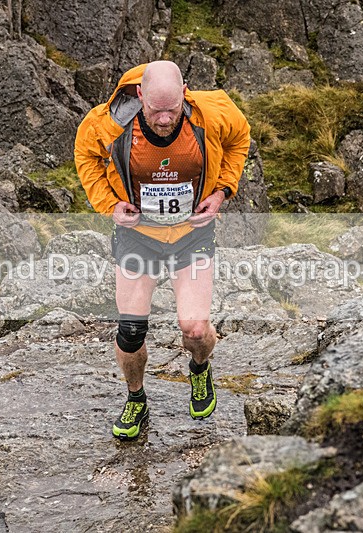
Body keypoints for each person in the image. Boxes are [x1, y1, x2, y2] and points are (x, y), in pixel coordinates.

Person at [74, 60, 251, 440]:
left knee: (195, 328)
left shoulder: (213, 112)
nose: (165, 119)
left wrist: (222, 191)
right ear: (140, 95)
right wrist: (109, 204)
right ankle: (136, 398)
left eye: (173, 109)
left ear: (185, 93)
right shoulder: (108, 123)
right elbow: (85, 156)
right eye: (156, 110)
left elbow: (240, 139)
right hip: (139, 237)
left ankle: (199, 369)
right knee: (130, 331)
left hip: (191, 236)